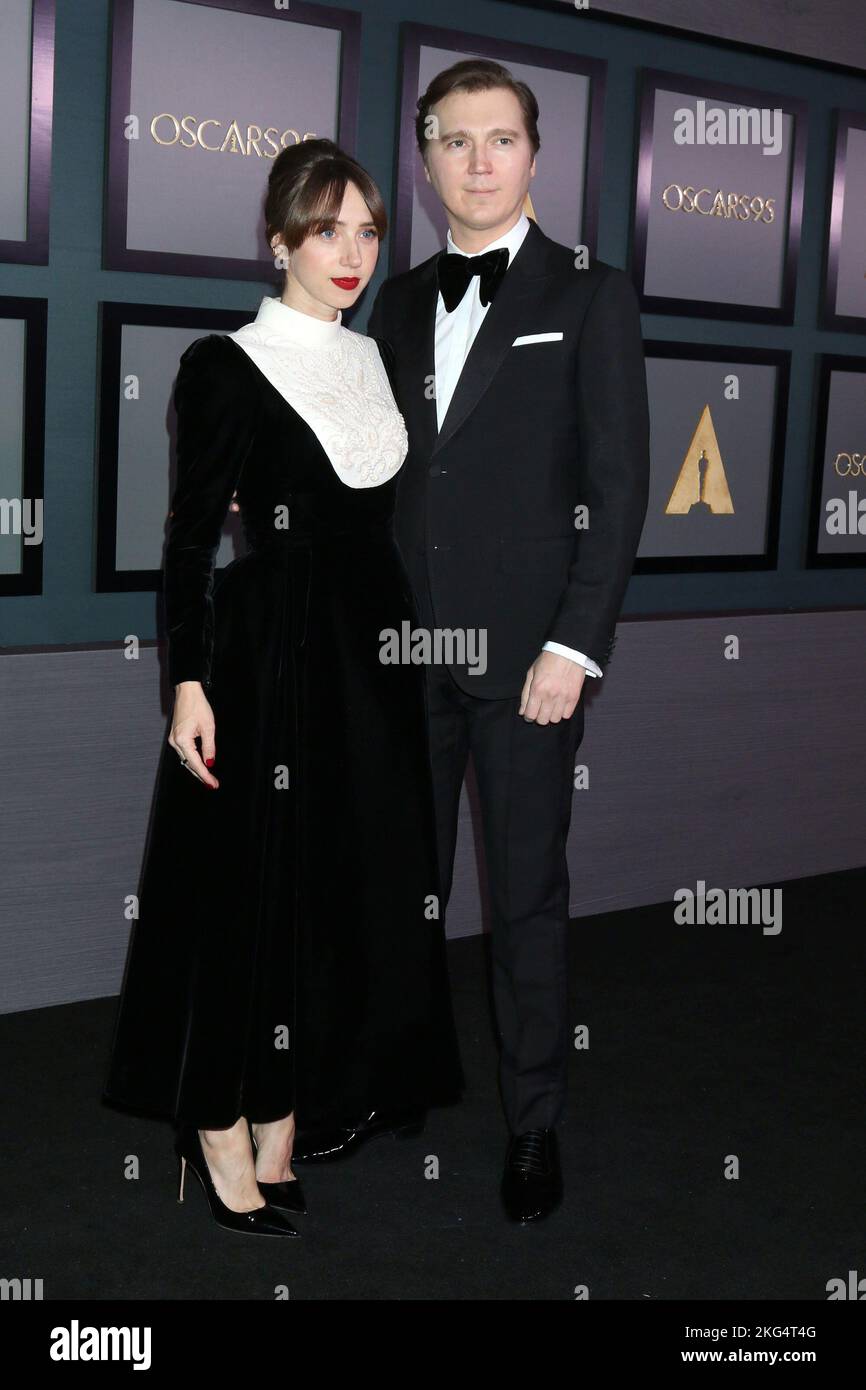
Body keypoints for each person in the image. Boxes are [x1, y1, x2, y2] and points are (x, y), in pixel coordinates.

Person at [289, 61, 650, 1225]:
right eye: (456, 142)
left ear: (534, 156)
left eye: (501, 140)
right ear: (426, 156)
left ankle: (533, 1120)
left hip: (529, 663)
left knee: (526, 899)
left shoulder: (592, 293)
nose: (479, 162)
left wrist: (573, 647)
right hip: (407, 656)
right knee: (398, 890)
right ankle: (392, 1084)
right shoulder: (391, 302)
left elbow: (618, 484)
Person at [102, 138, 465, 1236]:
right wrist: (189, 682)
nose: (349, 252)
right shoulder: (223, 365)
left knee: (340, 887)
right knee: (248, 896)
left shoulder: (375, 361)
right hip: (269, 657)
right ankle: (215, 1118)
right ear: (280, 240)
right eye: (326, 229)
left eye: (365, 231)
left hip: (375, 659)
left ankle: (285, 1106)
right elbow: (183, 541)